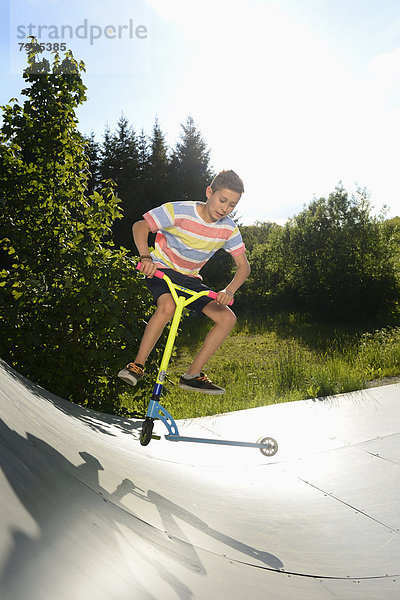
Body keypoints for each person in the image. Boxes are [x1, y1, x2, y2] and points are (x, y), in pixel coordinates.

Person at [118, 169, 251, 394]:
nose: (225, 208)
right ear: (209, 192)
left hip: (191, 280)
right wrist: (145, 257)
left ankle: (192, 375)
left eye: (232, 205)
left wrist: (229, 290)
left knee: (227, 318)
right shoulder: (180, 210)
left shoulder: (228, 228)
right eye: (222, 200)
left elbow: (244, 266)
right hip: (163, 270)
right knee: (167, 306)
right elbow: (140, 226)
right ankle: (137, 366)